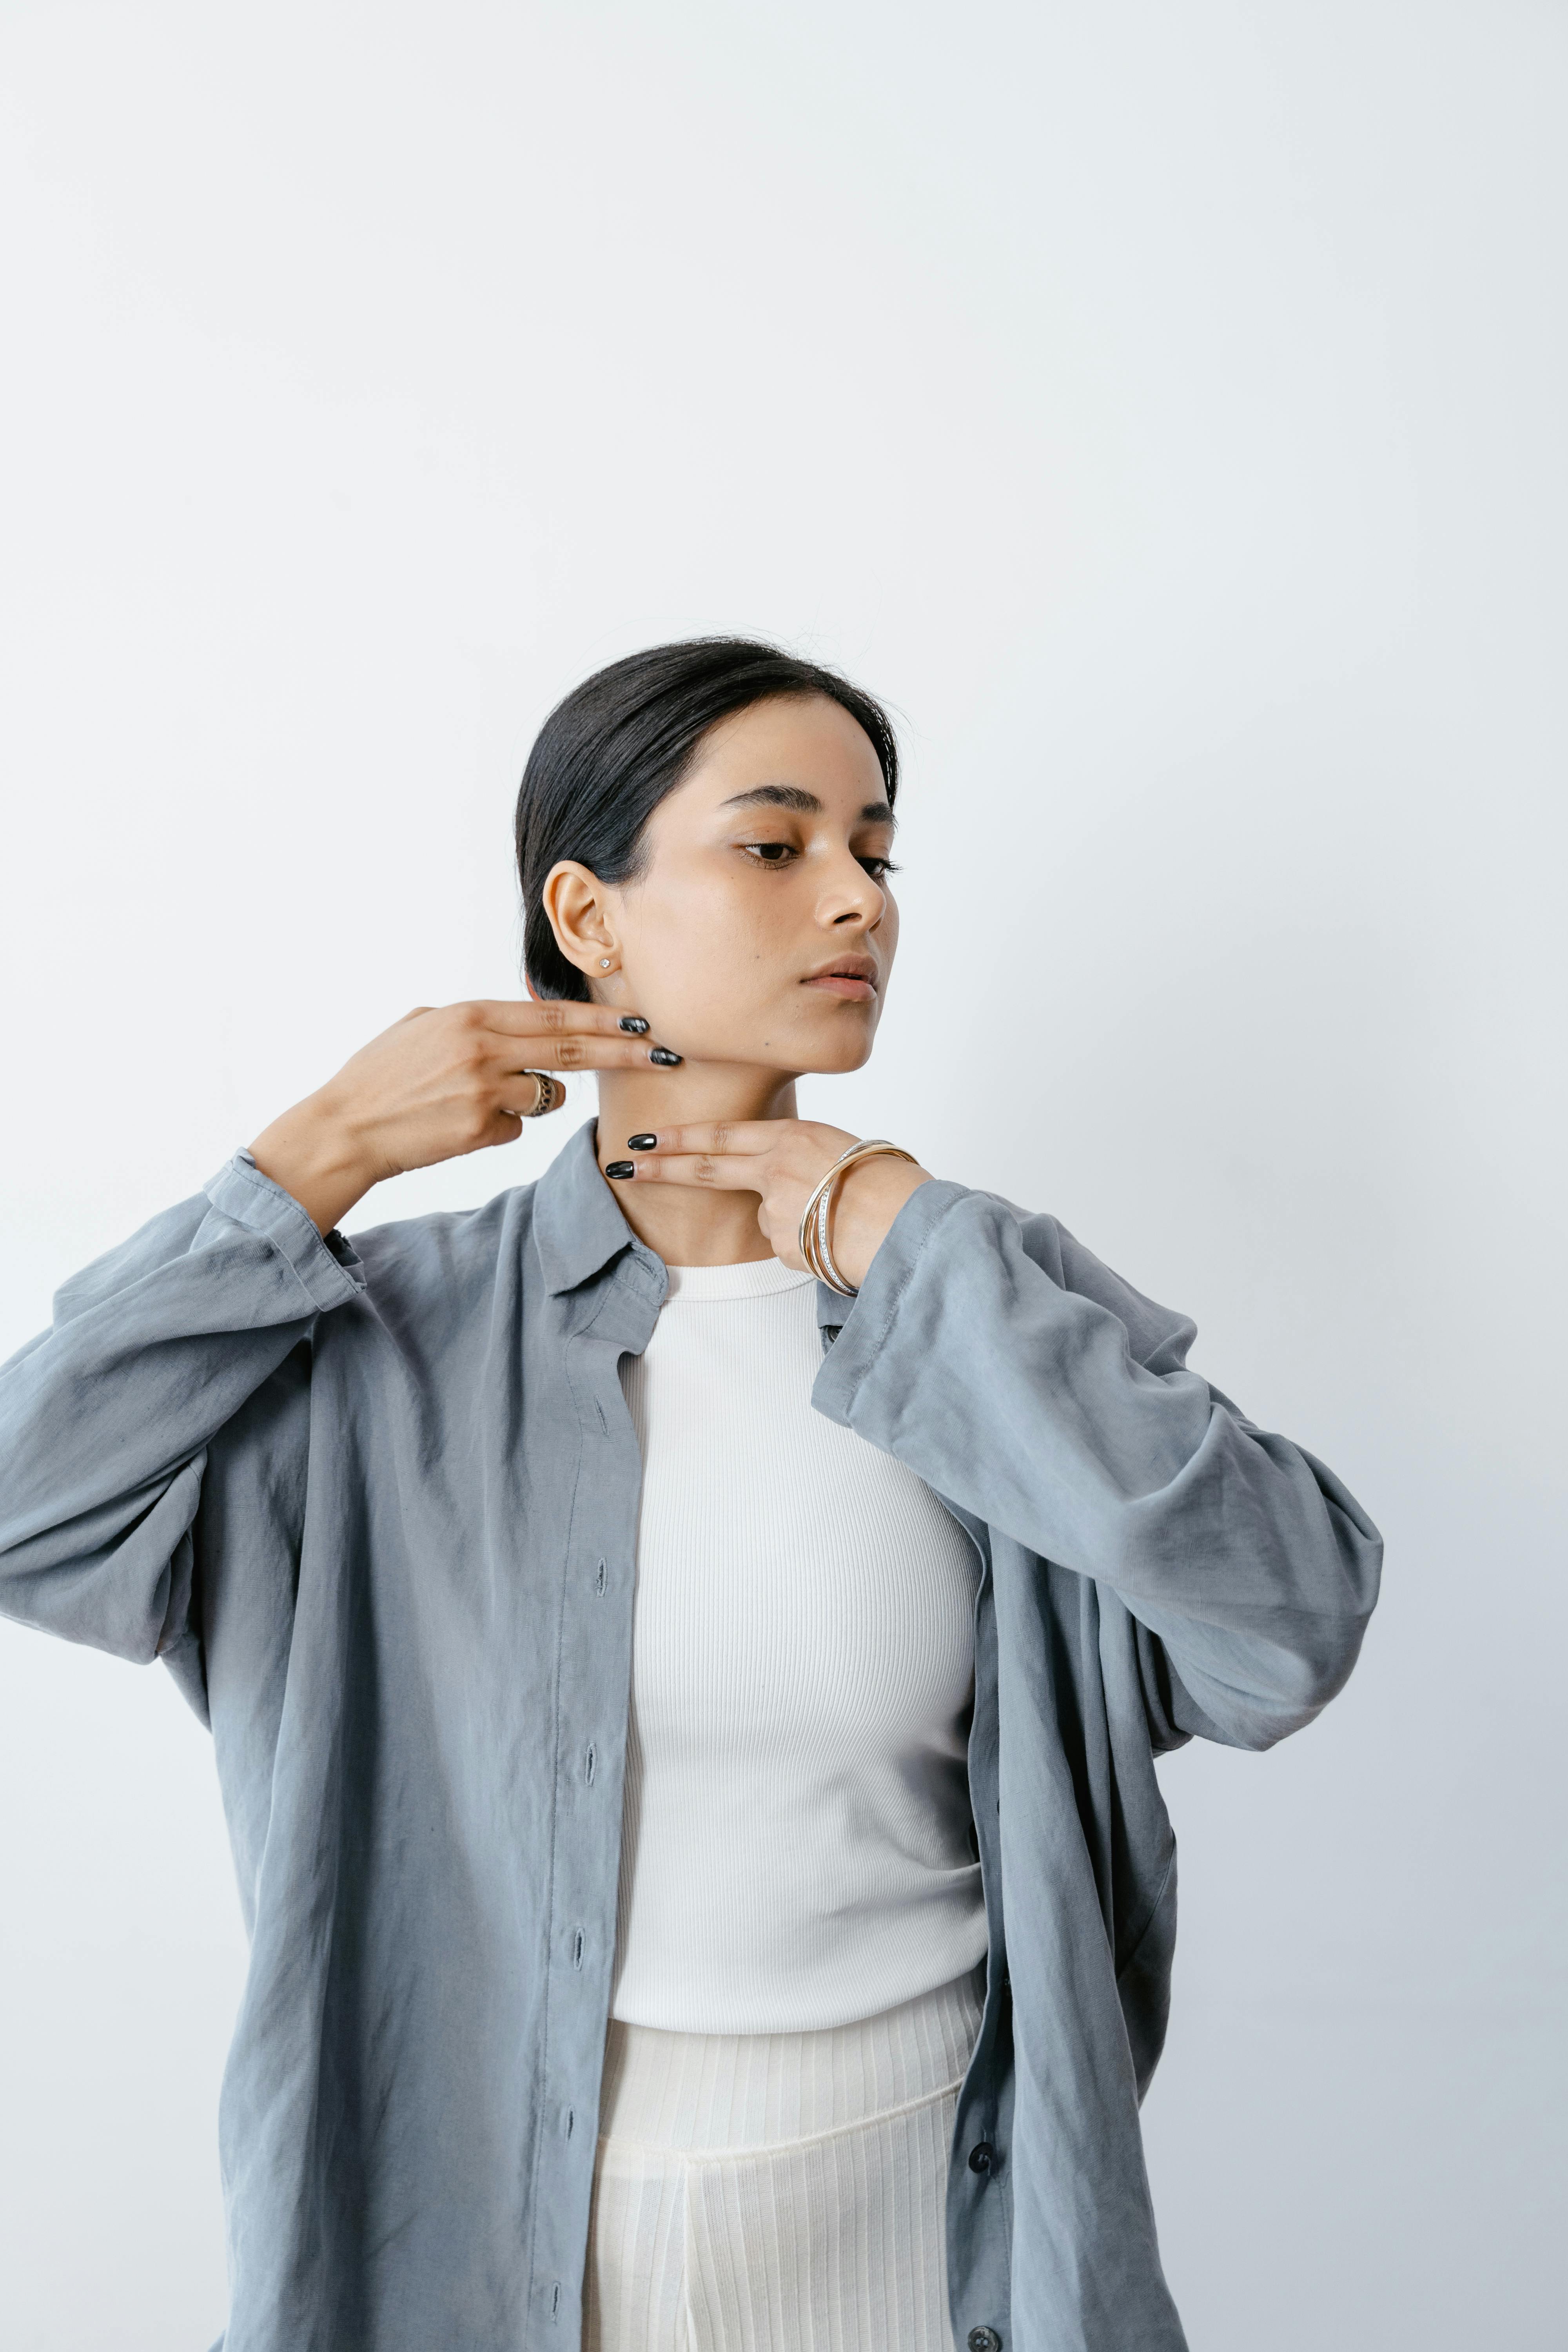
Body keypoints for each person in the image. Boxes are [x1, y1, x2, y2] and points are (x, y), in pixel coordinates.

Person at [0, 637, 1382, 2352]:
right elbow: (25, 1510)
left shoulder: (978, 1304)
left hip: (939, 2233)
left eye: (877, 852)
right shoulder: (380, 1341)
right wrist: (312, 1162)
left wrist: (910, 1245)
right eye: (776, 844)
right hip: (503, 2244)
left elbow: (1290, 1626)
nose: (857, 902)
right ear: (587, 917)